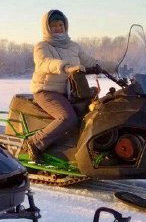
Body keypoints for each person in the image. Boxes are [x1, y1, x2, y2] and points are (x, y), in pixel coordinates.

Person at [25, 9, 105, 163]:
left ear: (65, 25)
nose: (58, 28)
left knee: (96, 110)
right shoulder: (42, 46)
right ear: (47, 28)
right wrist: (66, 67)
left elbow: (90, 61)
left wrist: (118, 66)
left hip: (69, 91)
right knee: (67, 118)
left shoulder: (73, 46)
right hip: (47, 91)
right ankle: (35, 143)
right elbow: (44, 63)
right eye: (54, 25)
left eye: (60, 24)